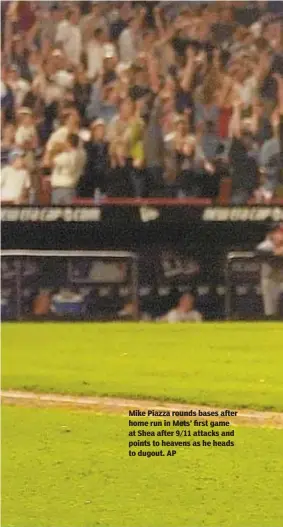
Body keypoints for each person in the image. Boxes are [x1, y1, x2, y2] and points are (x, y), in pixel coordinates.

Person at [256, 224, 283, 320]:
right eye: (277, 232)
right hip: (270, 279)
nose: (280, 235)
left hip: (281, 278)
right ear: (271, 234)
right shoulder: (266, 245)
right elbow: (261, 253)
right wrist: (276, 252)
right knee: (271, 310)